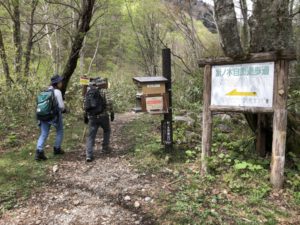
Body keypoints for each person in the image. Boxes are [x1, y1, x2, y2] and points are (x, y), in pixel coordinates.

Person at [35, 74, 66, 161]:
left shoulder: (44, 91)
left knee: (44, 133)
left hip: (43, 115)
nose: (62, 83)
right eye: (60, 82)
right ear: (57, 83)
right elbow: (61, 107)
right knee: (59, 130)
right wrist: (65, 110)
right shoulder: (57, 92)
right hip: (54, 116)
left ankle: (39, 152)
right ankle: (57, 149)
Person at [85, 77, 114, 162]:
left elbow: (85, 105)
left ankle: (89, 155)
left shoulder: (89, 91)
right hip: (103, 116)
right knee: (107, 130)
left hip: (92, 117)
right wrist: (111, 112)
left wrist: (86, 115)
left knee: (91, 136)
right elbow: (109, 102)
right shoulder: (104, 91)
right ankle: (105, 148)